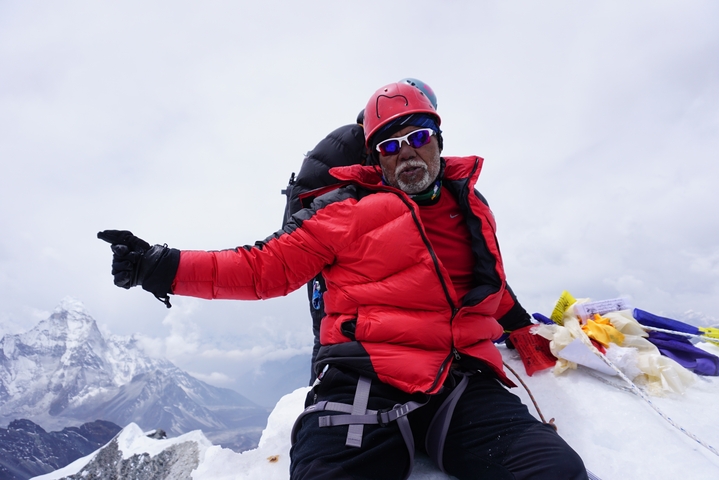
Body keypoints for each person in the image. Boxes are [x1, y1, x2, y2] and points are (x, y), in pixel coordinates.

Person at [98, 81, 588, 479]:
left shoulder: (472, 207)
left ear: (439, 139)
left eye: (418, 137)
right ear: (376, 161)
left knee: (555, 472)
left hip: (459, 380)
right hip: (362, 383)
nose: (408, 154)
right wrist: (158, 265)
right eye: (391, 147)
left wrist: (523, 329)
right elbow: (261, 268)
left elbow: (484, 282)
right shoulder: (346, 215)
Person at [284, 78, 533, 385]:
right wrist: (325, 244)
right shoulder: (351, 142)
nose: (405, 147)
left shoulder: (369, 145)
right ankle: (322, 386)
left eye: (418, 134)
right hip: (327, 246)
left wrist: (519, 324)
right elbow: (315, 201)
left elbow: (469, 264)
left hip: (340, 239)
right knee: (329, 329)